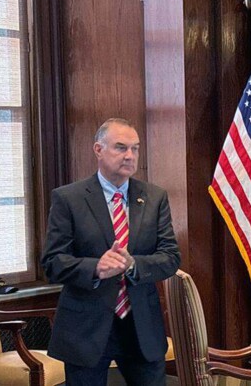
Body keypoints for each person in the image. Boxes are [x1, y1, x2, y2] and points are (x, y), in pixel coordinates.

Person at [42, 118, 180, 386]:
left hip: (141, 326)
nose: (130, 156)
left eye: (135, 149)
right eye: (120, 148)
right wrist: (95, 268)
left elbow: (171, 258)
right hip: (87, 328)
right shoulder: (68, 198)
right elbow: (52, 263)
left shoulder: (154, 197)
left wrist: (132, 265)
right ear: (98, 149)